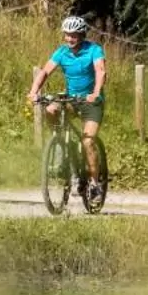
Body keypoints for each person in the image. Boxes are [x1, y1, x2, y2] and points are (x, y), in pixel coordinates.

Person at [29, 15, 106, 198]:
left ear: (82, 35)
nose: (70, 39)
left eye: (74, 35)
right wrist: (33, 91)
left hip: (91, 102)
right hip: (72, 99)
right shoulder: (62, 52)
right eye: (67, 35)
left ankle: (95, 184)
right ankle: (60, 143)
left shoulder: (94, 50)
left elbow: (100, 71)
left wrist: (95, 93)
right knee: (50, 109)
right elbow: (45, 71)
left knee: (88, 141)